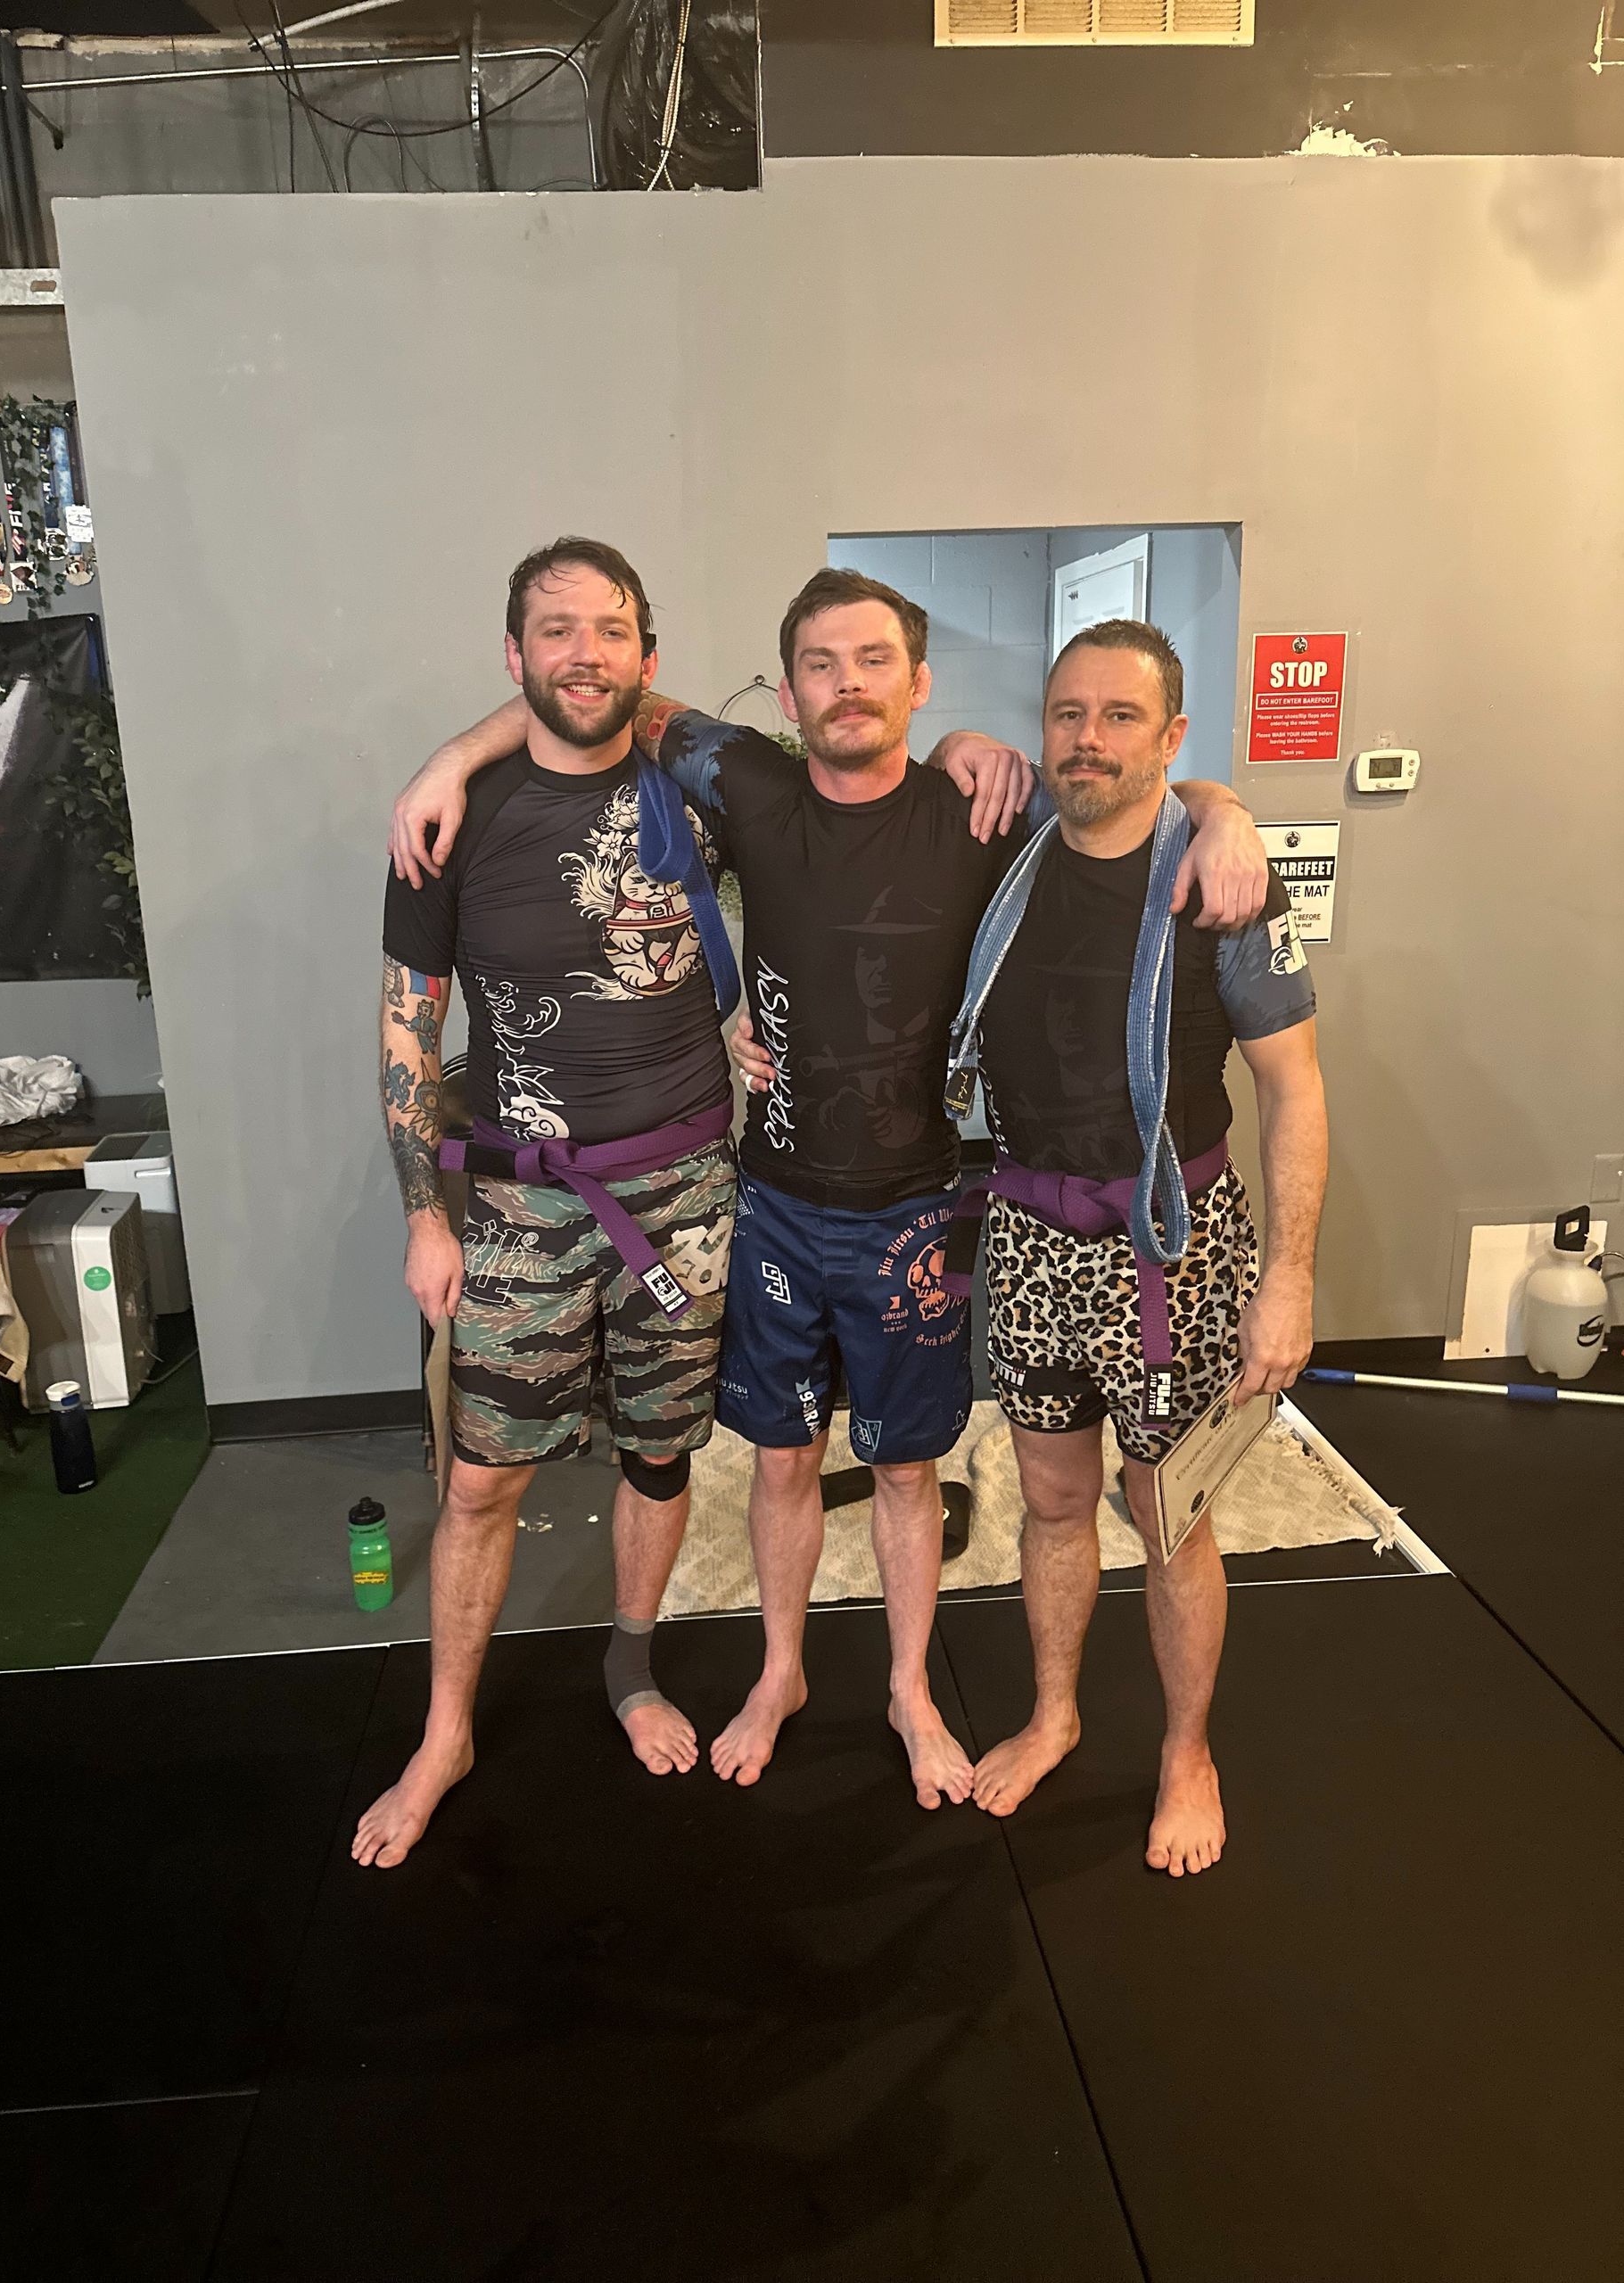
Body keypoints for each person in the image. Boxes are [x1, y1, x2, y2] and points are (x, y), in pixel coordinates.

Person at [391, 567, 1267, 1810]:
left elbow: (1126, 803)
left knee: (911, 1471)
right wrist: (452, 759)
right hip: (777, 1205)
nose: (846, 684)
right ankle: (783, 1670)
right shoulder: (746, 782)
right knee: (784, 1460)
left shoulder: (986, 812)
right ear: (790, 689)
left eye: (873, 662)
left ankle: (911, 1689)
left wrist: (1226, 808)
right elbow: (606, 695)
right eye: (819, 664)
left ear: (920, 683)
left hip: (918, 1210)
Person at [354, 538, 739, 1870]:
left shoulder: (704, 789)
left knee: (660, 1452)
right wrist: (423, 1211)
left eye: (612, 630)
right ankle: (448, 1728)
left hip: (687, 1196)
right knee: (480, 1484)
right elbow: (410, 1031)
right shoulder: (450, 822)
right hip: (519, 1205)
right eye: (556, 631)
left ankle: (630, 1667)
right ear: (513, 658)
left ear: (649, 653)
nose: (587, 653)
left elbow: (856, 802)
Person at [941, 618, 1326, 1877]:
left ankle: (1186, 1749)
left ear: (1170, 738)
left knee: (1170, 1519)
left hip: (1178, 1249)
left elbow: (1297, 1091)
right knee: (1052, 1502)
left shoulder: (1221, 883)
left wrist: (1292, 1279)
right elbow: (916, 758)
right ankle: (1055, 1711)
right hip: (1031, 1240)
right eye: (1067, 714)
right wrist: (954, 736)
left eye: (1119, 718)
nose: (1087, 739)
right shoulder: (1000, 857)